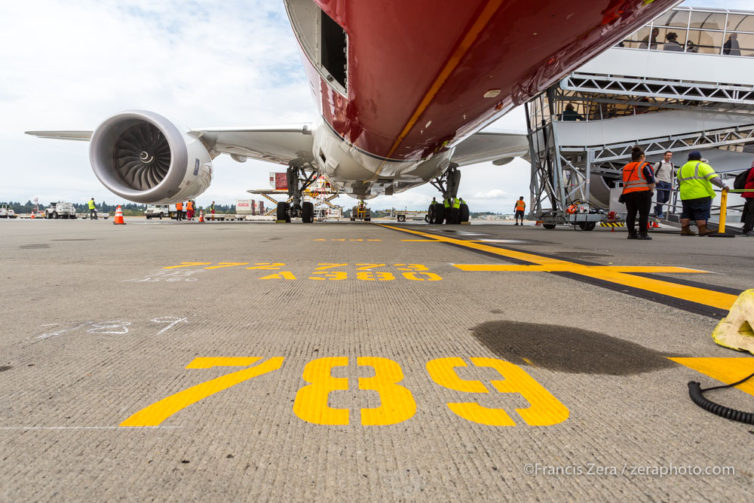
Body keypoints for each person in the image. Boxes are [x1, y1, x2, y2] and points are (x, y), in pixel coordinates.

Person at [676, 151, 729, 236]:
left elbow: (679, 181)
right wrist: (723, 186)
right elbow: (713, 178)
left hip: (685, 194)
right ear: (699, 158)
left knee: (686, 212)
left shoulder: (682, 168)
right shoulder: (702, 166)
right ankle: (702, 230)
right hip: (700, 193)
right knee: (701, 211)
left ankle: (684, 230)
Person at [621, 146, 655, 240]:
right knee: (644, 214)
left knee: (631, 214)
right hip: (643, 193)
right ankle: (643, 233)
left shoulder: (626, 167)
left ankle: (631, 233)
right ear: (642, 156)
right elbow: (651, 181)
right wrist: (651, 191)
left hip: (628, 193)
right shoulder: (645, 166)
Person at [652, 151, 674, 218]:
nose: (669, 157)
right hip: (660, 182)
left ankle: (657, 208)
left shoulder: (671, 164)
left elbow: (672, 175)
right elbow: (651, 173)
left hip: (668, 183)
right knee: (660, 198)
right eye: (667, 155)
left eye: (670, 155)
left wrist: (672, 184)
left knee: (666, 198)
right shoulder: (659, 163)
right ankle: (660, 214)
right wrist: (657, 180)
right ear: (664, 156)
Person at [741, 162, 754, 236]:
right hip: (751, 193)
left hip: (749, 193)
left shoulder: (752, 169)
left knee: (750, 211)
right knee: (751, 212)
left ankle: (747, 228)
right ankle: (748, 229)